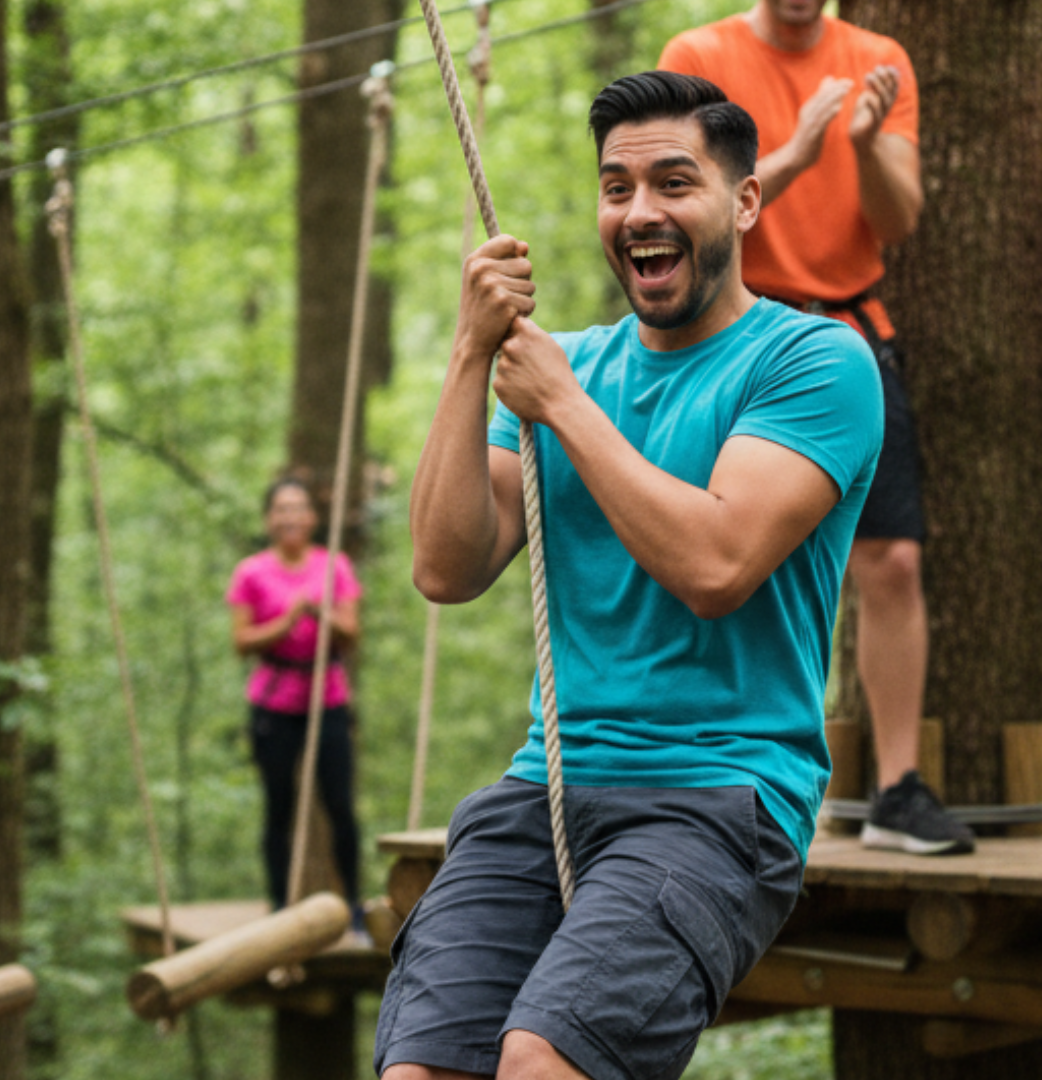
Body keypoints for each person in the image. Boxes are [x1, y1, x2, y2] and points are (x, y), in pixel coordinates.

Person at [377, 72, 882, 1080]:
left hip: (721, 799)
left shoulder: (814, 361)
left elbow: (716, 564)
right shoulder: (564, 370)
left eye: (673, 183)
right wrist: (470, 358)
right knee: (421, 1070)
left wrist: (562, 405)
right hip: (548, 787)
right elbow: (444, 566)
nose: (640, 212)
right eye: (616, 189)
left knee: (542, 1062)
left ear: (742, 202)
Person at [660, 0, 974, 857]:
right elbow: (691, 209)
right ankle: (709, 768)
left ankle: (899, 788)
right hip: (730, 333)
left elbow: (899, 218)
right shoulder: (701, 52)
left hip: (846, 338)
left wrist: (867, 142)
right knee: (720, 556)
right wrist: (795, 150)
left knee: (893, 558)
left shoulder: (878, 58)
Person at [225, 478, 365, 922]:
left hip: (328, 697)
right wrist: (288, 621)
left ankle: (353, 905)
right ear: (269, 520)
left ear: (312, 518)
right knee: (278, 806)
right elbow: (242, 641)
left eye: (298, 508)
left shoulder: (333, 566)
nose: (290, 517)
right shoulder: (251, 572)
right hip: (274, 702)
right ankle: (280, 907)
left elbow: (351, 633)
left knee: (340, 804)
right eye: (281, 509)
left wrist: (320, 613)